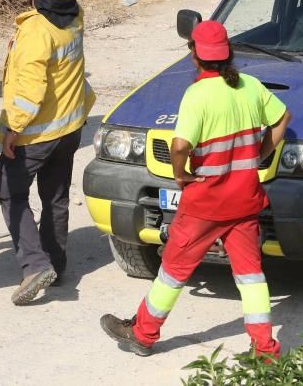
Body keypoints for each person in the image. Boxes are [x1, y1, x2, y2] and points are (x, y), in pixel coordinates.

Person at [100, 20, 292, 358]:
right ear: (228, 54)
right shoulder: (250, 86)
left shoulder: (198, 94)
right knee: (250, 276)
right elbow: (281, 119)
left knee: (173, 271)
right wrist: (260, 154)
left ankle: (143, 334)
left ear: (195, 56)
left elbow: (179, 145)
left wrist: (181, 174)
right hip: (245, 199)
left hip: (205, 203)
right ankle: (265, 348)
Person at [0, 0, 95, 305]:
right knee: (55, 197)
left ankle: (35, 265)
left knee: (8, 190)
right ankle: (56, 262)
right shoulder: (76, 16)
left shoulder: (36, 31)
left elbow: (29, 93)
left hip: (35, 134)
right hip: (70, 127)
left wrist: (11, 130)